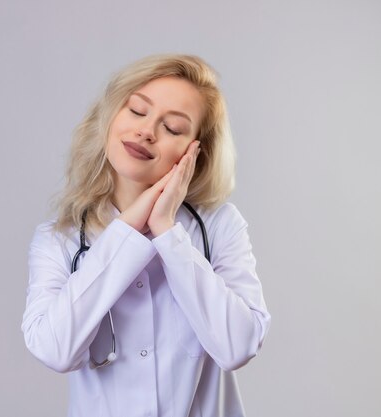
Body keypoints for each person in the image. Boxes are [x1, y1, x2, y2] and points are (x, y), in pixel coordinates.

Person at [21, 54, 271, 417]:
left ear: (195, 153)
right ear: (110, 117)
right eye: (137, 111)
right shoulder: (58, 239)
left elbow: (237, 346)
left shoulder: (219, 227)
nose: (146, 131)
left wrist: (168, 231)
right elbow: (54, 350)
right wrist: (126, 231)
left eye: (172, 128)